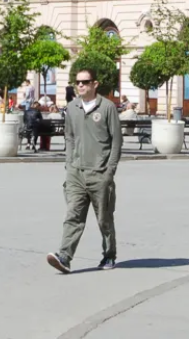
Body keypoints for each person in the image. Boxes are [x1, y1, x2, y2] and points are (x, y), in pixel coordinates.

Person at [48, 67, 122, 274]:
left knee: (104, 219)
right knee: (73, 215)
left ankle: (109, 254)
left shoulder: (107, 108)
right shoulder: (72, 108)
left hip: (100, 173)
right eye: (77, 82)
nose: (80, 85)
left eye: (85, 82)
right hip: (76, 173)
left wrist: (110, 171)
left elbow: (116, 141)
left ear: (95, 84)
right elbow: (69, 137)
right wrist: (69, 162)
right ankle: (64, 256)